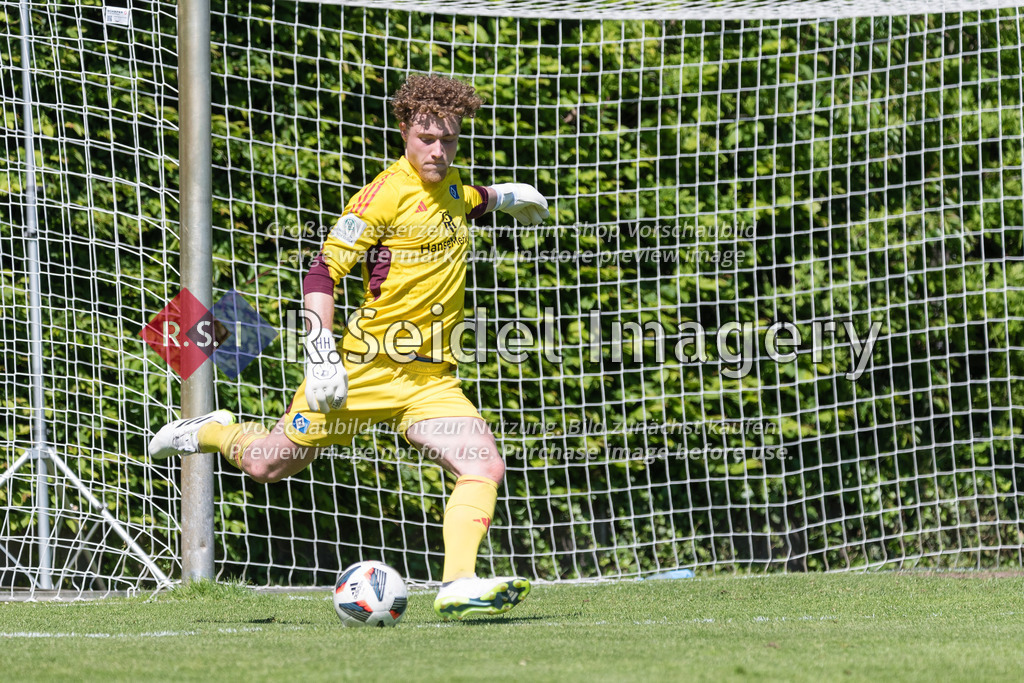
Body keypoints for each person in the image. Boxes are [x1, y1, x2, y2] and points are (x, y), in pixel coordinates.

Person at [149, 74, 549, 620]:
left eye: (449, 140)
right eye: (427, 138)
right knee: (268, 464)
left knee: (484, 465)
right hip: (364, 369)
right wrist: (321, 351)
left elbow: (469, 201)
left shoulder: (453, 185)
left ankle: (458, 583)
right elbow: (322, 272)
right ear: (404, 130)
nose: (438, 151)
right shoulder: (383, 195)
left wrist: (506, 196)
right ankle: (212, 431)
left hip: (430, 380)